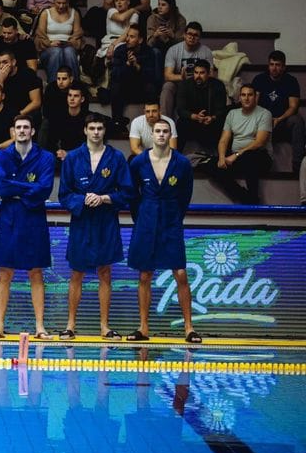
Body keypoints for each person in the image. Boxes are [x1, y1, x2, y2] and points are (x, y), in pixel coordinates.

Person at [57, 113, 132, 340]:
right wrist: (83, 200)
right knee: (76, 272)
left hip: (105, 221)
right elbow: (64, 194)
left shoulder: (116, 157)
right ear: (85, 130)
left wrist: (105, 198)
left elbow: (127, 192)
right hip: (81, 221)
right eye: (92, 128)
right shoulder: (72, 158)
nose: (96, 132)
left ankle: (104, 326)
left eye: (100, 128)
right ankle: (70, 325)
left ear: (104, 131)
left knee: (105, 272)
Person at [128, 119, 200, 343]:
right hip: (146, 220)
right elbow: (132, 195)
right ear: (151, 134)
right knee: (145, 274)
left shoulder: (182, 163)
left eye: (165, 131)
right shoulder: (138, 162)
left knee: (181, 274)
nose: (161, 134)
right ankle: (143, 327)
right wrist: (141, 218)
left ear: (170, 134)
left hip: (171, 221)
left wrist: (175, 216)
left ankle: (189, 328)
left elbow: (185, 195)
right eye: (157, 131)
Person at [0, 115, 55, 339]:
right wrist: (29, 187)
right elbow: (1, 188)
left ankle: (40, 327)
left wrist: (16, 187)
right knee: (4, 271)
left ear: (33, 131)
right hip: (9, 215)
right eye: (18, 127)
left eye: (26, 127)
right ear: (13, 132)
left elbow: (45, 188)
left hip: (34, 216)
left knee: (36, 271)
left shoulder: (45, 157)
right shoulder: (1, 156)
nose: (22, 130)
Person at [213, 84, 273, 205]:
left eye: (250, 95)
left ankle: (253, 199)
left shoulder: (265, 114)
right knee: (214, 167)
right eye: (243, 95)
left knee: (249, 158)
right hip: (238, 158)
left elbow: (259, 142)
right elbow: (224, 140)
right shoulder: (232, 114)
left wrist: (236, 155)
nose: (246, 98)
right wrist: (222, 157)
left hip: (260, 156)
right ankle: (246, 197)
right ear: (239, 97)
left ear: (255, 97)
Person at [252, 50, 303, 171]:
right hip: (263, 123)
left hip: (282, 122)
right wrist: (265, 120)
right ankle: (254, 163)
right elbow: (254, 104)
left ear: (284, 67)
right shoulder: (259, 79)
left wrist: (279, 119)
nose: (274, 68)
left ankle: (298, 165)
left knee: (297, 121)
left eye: (278, 65)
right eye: (271, 64)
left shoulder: (291, 81)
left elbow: (293, 107)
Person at [108, 25, 162, 127]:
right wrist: (127, 64)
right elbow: (115, 75)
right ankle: (117, 122)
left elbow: (151, 76)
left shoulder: (148, 52)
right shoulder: (120, 50)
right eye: (127, 36)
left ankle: (153, 122)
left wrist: (137, 66)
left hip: (141, 89)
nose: (127, 39)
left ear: (140, 40)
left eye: (132, 37)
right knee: (115, 86)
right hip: (125, 88)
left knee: (151, 87)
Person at [175, 59, 227, 153]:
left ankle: (219, 156)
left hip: (210, 122)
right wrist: (194, 116)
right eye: (196, 72)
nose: (198, 76)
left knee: (223, 124)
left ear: (208, 73)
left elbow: (222, 109)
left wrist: (212, 117)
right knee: (181, 123)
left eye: (202, 73)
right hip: (192, 121)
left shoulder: (218, 85)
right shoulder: (185, 85)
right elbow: (180, 110)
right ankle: (176, 156)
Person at [34, 0, 82, 81]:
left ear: (68, 2)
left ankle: (74, 85)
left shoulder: (74, 13)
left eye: (64, 3)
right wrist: (49, 43)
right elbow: (40, 35)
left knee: (69, 52)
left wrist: (71, 42)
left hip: (68, 46)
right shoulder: (46, 13)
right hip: (48, 48)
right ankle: (53, 85)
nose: (61, 6)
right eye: (58, 3)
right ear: (53, 1)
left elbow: (77, 35)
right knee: (56, 52)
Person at [46, 84, 90, 160]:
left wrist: (70, 153)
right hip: (62, 156)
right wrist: (58, 151)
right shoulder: (58, 117)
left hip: (82, 156)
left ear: (82, 99)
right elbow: (51, 141)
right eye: (70, 95)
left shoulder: (88, 118)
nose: (72, 99)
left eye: (76, 96)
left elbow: (89, 144)